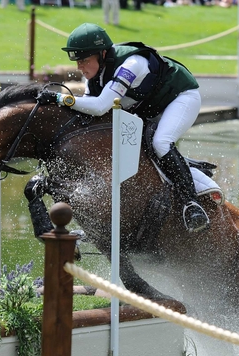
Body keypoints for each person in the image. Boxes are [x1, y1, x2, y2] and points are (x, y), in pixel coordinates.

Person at [37, 23, 209, 233]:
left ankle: (191, 204)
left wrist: (58, 98)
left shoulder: (132, 64)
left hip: (180, 98)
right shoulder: (94, 77)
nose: (80, 67)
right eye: (77, 61)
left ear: (102, 54)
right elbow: (91, 111)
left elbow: (100, 107)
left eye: (84, 60)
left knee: (161, 142)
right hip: (149, 108)